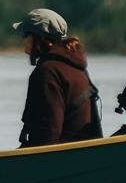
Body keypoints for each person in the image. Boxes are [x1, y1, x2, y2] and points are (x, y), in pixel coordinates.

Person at [12, 8, 103, 147]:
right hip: (83, 155)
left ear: (40, 38)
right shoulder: (76, 67)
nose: (23, 40)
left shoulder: (47, 72)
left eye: (26, 34)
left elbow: (49, 133)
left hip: (61, 161)